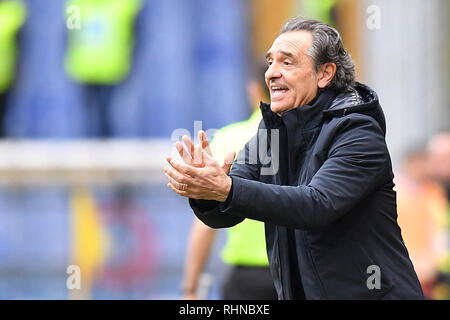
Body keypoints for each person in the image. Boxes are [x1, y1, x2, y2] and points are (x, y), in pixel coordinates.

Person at [164, 17, 424, 299]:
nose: (271, 73)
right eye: (270, 61)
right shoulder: (272, 129)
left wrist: (225, 189)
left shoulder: (358, 132)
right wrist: (207, 191)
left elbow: (316, 205)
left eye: (286, 62)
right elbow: (230, 206)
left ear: (325, 73)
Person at [181, 62, 277, 300]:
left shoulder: (229, 137)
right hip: (299, 273)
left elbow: (205, 224)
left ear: (254, 90)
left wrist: (190, 288)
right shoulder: (311, 136)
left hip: (246, 279)